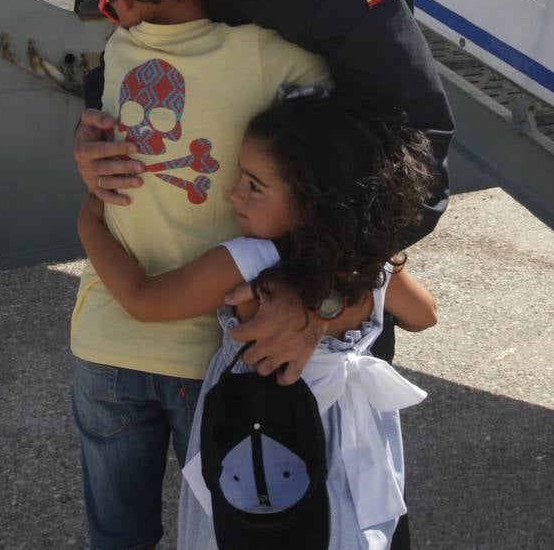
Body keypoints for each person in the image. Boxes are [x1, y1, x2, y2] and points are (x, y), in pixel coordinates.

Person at [73, 0, 454, 383]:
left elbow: (419, 152)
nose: (141, 11)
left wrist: (316, 294)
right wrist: (93, 136)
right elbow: (135, 60)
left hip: (315, 315)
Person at [70, 0, 331, 550]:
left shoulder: (119, 49)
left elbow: (106, 168)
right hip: (210, 357)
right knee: (226, 531)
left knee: (116, 535)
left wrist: (85, 211)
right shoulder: (270, 57)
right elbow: (346, 132)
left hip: (103, 345)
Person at [76, 92, 439, 548]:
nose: (234, 194)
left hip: (268, 442)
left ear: (312, 202)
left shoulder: (250, 261)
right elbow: (425, 316)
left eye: (253, 185)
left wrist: (89, 222)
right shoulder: (372, 266)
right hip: (351, 446)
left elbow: (144, 300)